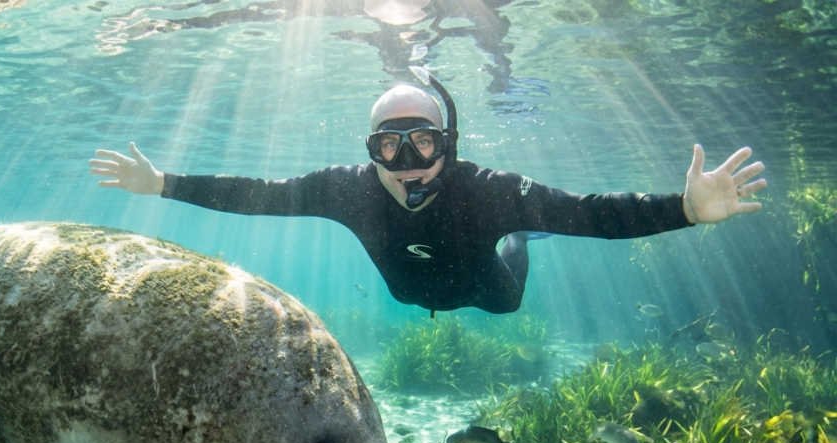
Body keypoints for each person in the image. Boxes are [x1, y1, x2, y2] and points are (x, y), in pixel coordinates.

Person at [89, 75, 766, 315]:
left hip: (486, 292)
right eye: (388, 145)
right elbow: (257, 194)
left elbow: (590, 214)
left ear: (450, 144)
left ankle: (522, 242)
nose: (406, 163)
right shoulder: (346, 191)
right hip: (408, 292)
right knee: (411, 289)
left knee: (513, 292)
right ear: (368, 150)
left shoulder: (491, 192)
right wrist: (162, 185)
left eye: (423, 144)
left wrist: (684, 210)